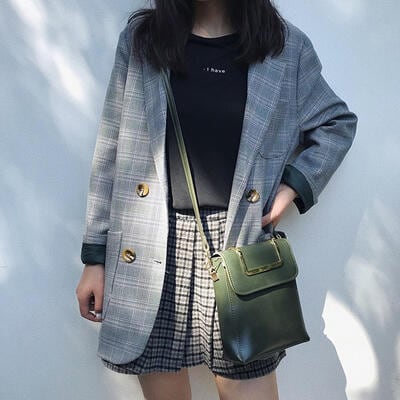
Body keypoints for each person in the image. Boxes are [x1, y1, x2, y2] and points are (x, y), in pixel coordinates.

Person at [75, 0, 357, 399]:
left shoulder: (284, 47)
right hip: (149, 243)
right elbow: (111, 149)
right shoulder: (143, 41)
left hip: (238, 247)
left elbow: (336, 124)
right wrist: (95, 257)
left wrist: (291, 187)